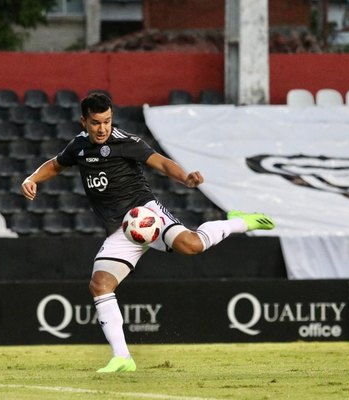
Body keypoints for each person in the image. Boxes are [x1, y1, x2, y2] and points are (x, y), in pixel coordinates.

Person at [21, 92, 275, 373]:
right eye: (96, 123)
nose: (103, 128)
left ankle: (239, 222)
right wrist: (32, 178)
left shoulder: (125, 142)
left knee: (192, 245)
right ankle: (122, 358)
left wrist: (186, 178)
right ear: (84, 122)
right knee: (100, 285)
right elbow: (55, 164)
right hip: (121, 231)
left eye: (107, 121)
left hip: (145, 216)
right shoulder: (78, 148)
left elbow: (161, 162)